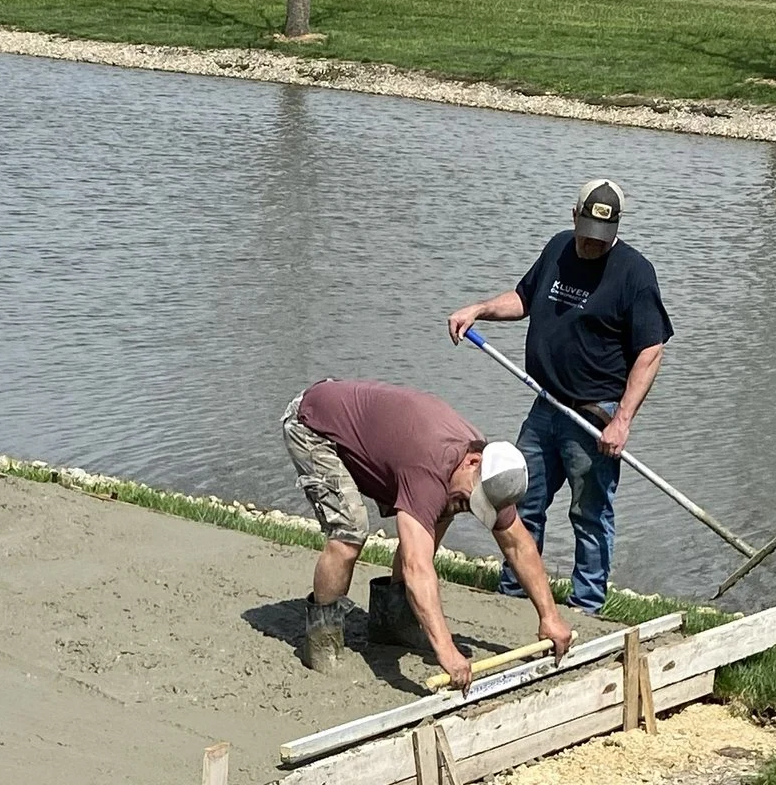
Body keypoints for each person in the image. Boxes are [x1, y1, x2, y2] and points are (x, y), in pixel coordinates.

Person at [446, 179, 672, 613]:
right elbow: (523, 298)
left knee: (589, 515)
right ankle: (516, 591)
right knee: (514, 498)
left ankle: (586, 605)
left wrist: (622, 419)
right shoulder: (557, 248)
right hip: (545, 404)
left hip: (595, 417)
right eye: (585, 233)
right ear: (574, 216)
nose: (591, 244)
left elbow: (651, 350)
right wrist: (479, 309)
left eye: (600, 238)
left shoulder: (635, 273)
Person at [281, 378, 573, 688]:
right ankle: (323, 639)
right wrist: (446, 650)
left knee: (445, 507)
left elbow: (518, 546)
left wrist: (549, 616)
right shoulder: (429, 468)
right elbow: (417, 566)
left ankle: (392, 624)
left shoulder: (492, 477)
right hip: (313, 425)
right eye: (473, 500)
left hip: (378, 437)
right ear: (473, 462)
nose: (471, 507)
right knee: (350, 531)